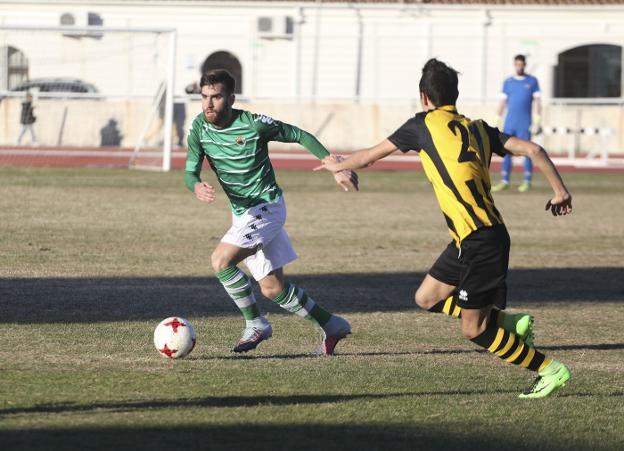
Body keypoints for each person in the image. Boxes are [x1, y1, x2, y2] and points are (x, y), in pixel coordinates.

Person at [316, 59, 573, 398]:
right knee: (426, 297)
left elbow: (369, 156)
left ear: (424, 97)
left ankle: (549, 369)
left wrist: (337, 163)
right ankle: (509, 324)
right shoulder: (478, 127)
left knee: (474, 330)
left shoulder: (422, 125)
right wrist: (560, 192)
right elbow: (534, 149)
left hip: (481, 241)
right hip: (472, 238)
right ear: (455, 94)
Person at [185, 69, 357, 355]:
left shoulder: (254, 124)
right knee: (273, 289)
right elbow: (190, 171)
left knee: (221, 261)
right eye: (204, 97)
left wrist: (335, 166)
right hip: (243, 215)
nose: (209, 104)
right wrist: (196, 186)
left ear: (231, 98)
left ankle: (255, 323)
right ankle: (332, 325)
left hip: (266, 207)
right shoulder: (199, 128)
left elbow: (298, 134)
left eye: (216, 97)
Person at [492, 54, 542, 193]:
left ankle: (527, 181)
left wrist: (537, 119)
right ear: (514, 65)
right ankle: (505, 180)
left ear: (525, 65)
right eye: (517, 64)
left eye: (521, 64)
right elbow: (502, 102)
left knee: (527, 151)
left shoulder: (532, 81)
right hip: (510, 123)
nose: (519, 67)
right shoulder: (508, 82)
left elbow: (537, 101)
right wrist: (498, 118)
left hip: (524, 123)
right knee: (506, 151)